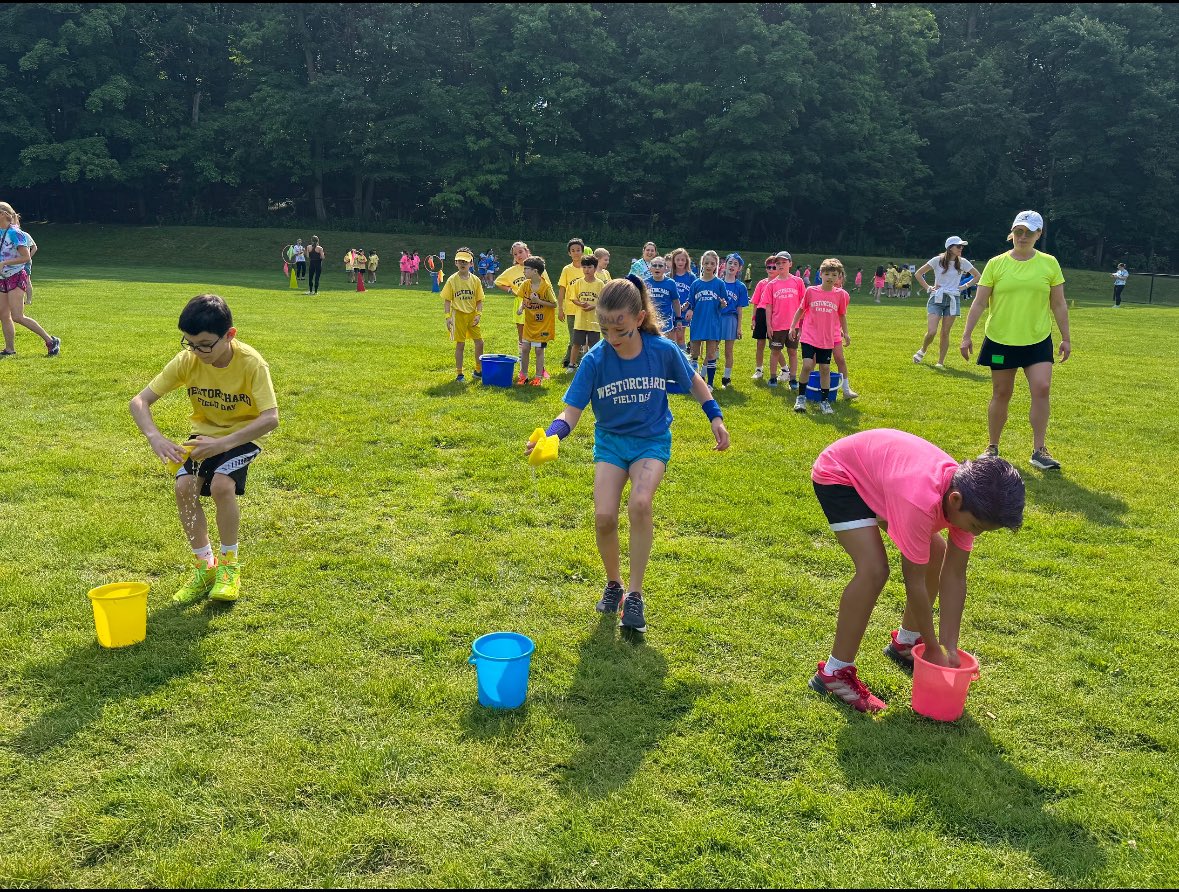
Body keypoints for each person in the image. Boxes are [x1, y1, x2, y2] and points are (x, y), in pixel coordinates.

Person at [525, 275, 730, 635]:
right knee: (604, 517)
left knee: (640, 503)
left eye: (620, 330)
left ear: (639, 318)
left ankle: (634, 594)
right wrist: (553, 435)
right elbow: (571, 412)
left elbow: (695, 381)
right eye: (605, 330)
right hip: (611, 443)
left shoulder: (662, 350)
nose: (612, 338)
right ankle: (614, 583)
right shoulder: (595, 359)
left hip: (651, 441)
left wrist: (715, 416)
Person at [808, 429, 1025, 713]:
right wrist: (932, 646)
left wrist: (948, 647)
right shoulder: (921, 502)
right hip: (842, 474)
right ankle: (834, 673)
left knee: (935, 553)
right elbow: (914, 582)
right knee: (874, 570)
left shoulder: (969, 500)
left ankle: (906, 643)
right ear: (955, 500)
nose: (976, 534)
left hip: (883, 477)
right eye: (975, 527)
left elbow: (955, 576)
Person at [129, 293, 279, 604]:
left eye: (206, 344)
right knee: (184, 488)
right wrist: (155, 437)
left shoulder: (252, 363)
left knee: (223, 485)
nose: (198, 352)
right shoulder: (188, 360)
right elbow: (139, 401)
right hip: (204, 436)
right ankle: (205, 567)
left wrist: (221, 444)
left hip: (242, 436)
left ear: (230, 335)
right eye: (191, 343)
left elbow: (270, 419)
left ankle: (229, 568)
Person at [960, 210, 1070, 471]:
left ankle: (1039, 451)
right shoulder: (996, 264)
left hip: (1037, 339)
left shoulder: (1049, 263)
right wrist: (966, 335)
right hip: (1001, 340)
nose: (1023, 236)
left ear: (1039, 234)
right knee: (1001, 392)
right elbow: (979, 302)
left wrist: (1066, 338)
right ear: (1012, 233)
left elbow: (1058, 303)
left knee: (1042, 388)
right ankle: (992, 447)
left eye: (1029, 232)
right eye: (1019, 231)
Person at [789, 258, 848, 415]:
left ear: (839, 277)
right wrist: (793, 326)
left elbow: (842, 315)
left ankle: (824, 401)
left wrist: (846, 333)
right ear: (820, 274)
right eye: (827, 274)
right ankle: (801, 398)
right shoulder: (811, 291)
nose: (830, 277)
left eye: (834, 275)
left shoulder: (840, 295)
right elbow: (801, 310)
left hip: (827, 339)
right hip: (809, 336)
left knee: (825, 368)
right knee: (807, 365)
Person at [0, 202, 59, 357]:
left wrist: (4, 263)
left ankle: (51, 341)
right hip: (2, 278)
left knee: (17, 316)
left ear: (3, 214)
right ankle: (9, 349)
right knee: (3, 315)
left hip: (16, 276)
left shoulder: (16, 233)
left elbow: (26, 257)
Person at [913, 236, 981, 369]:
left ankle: (940, 362)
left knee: (945, 332)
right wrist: (928, 288)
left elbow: (978, 276)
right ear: (950, 248)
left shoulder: (963, 262)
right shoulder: (937, 260)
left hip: (953, 300)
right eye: (958, 246)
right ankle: (923, 349)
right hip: (936, 298)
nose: (961, 248)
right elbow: (918, 273)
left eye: (962, 246)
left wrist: (964, 286)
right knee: (932, 331)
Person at [496, 241, 554, 353]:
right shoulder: (511, 271)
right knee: (522, 335)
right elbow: (498, 282)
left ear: (527, 252)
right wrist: (510, 290)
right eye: (515, 254)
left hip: (537, 305)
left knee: (538, 335)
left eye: (520, 252)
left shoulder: (538, 267)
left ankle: (540, 360)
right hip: (521, 305)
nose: (518, 255)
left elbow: (548, 286)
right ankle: (522, 358)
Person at [440, 248, 485, 382]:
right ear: (456, 263)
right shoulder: (452, 280)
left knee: (479, 342)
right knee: (460, 344)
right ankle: (459, 374)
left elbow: (479, 300)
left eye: (465, 261)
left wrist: (478, 314)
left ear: (471, 263)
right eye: (460, 261)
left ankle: (478, 370)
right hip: (458, 315)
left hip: (472, 315)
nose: (462, 263)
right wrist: (447, 317)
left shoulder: (475, 280)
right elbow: (447, 300)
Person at [684, 250, 727, 389]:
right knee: (694, 353)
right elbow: (691, 303)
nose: (709, 266)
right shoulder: (696, 284)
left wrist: (723, 304)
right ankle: (694, 383)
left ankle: (710, 383)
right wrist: (688, 309)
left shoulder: (719, 284)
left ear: (716, 265)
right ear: (702, 263)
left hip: (713, 323)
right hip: (698, 322)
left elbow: (724, 303)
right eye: (706, 263)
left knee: (711, 354)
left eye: (712, 263)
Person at [763, 251, 805, 391]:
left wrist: (801, 324)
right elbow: (768, 307)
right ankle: (773, 377)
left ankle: (793, 378)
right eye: (778, 263)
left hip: (793, 325)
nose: (780, 265)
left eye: (784, 262)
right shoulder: (772, 285)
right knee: (775, 351)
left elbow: (803, 305)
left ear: (790, 264)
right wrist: (769, 325)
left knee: (792, 352)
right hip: (777, 325)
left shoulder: (798, 282)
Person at [514, 256, 557, 385]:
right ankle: (524, 376)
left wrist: (538, 301)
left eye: (526, 269)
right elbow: (524, 299)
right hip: (529, 323)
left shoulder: (546, 287)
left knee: (539, 350)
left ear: (535, 271)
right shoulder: (525, 284)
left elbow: (554, 304)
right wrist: (521, 308)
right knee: (525, 348)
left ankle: (538, 377)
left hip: (543, 325)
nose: (524, 271)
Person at [719, 253, 750, 388]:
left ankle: (726, 378)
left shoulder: (740, 286)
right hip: (717, 318)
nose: (732, 266)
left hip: (731, 319)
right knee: (712, 348)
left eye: (735, 264)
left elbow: (739, 309)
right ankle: (705, 376)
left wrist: (739, 327)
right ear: (725, 264)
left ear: (739, 268)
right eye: (730, 262)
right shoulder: (718, 283)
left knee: (728, 351)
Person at [569, 254, 604, 368]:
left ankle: (594, 365)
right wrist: (581, 304)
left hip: (594, 321)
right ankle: (572, 364)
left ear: (595, 268)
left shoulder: (600, 284)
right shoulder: (578, 283)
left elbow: (602, 301)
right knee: (576, 344)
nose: (586, 270)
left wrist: (593, 306)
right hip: (580, 321)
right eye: (584, 267)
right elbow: (574, 298)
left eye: (589, 267)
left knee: (594, 345)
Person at [558, 238, 587, 370]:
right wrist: (560, 309)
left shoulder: (587, 268)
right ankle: (572, 362)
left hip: (585, 308)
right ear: (569, 253)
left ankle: (569, 361)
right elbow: (562, 290)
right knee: (574, 338)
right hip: (571, 309)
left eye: (578, 250)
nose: (576, 253)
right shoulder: (567, 270)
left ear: (582, 251)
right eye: (573, 250)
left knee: (582, 338)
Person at [749, 255, 778, 380]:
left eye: (774, 267)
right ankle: (759, 369)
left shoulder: (780, 284)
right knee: (760, 343)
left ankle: (785, 369)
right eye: (768, 267)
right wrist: (754, 318)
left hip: (775, 314)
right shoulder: (762, 283)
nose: (771, 269)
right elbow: (756, 302)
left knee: (775, 344)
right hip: (761, 313)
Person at [646, 256, 681, 343]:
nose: (657, 268)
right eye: (654, 265)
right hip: (650, 320)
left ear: (665, 268)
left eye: (660, 266)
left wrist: (678, 319)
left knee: (669, 345)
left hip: (667, 320)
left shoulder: (670, 283)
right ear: (650, 268)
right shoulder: (645, 282)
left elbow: (676, 302)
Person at [668, 248, 696, 352]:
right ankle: (673, 358)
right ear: (673, 261)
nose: (680, 262)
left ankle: (682, 358)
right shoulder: (669, 276)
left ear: (686, 261)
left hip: (684, 311)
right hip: (670, 311)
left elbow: (694, 295)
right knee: (671, 338)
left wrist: (690, 308)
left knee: (680, 337)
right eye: (678, 259)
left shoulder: (691, 277)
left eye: (683, 260)